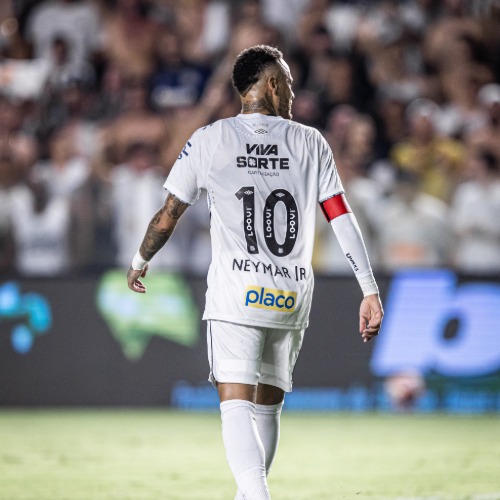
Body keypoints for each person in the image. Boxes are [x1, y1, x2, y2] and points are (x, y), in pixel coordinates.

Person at [127, 45, 383, 500]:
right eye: (288, 81)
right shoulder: (311, 142)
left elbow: (167, 216)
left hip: (236, 292)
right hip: (290, 296)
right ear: (271, 83)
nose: (292, 91)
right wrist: (369, 288)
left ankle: (257, 496)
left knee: (235, 405)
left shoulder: (210, 139)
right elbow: (340, 217)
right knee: (268, 408)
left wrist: (140, 261)